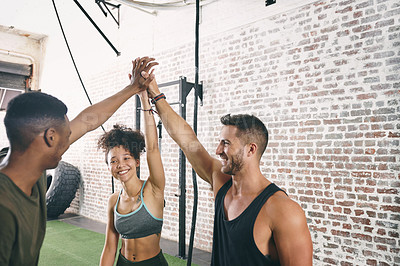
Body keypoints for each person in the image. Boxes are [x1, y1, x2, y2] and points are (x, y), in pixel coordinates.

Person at [0, 57, 156, 266]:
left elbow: (87, 121)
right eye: (67, 133)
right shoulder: (4, 208)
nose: (70, 138)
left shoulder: (30, 162)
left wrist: (133, 88)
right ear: (51, 137)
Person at [143, 74, 313, 265]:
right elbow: (187, 141)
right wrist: (155, 93)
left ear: (251, 149)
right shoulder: (221, 183)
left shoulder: (283, 210)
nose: (217, 150)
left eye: (226, 143)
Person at [98, 88, 167, 265]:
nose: (120, 165)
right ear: (109, 167)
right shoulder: (113, 201)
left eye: (126, 158)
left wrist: (144, 99)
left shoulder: (154, 189)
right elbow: (110, 247)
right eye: (113, 161)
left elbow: (152, 147)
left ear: (137, 161)